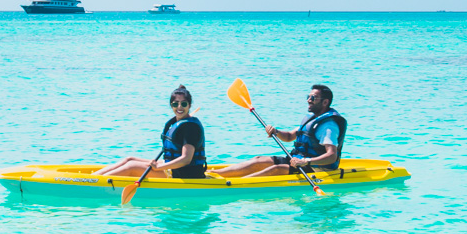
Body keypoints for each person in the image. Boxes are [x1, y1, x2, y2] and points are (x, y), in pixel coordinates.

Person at [212, 84, 346, 178]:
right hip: (297, 160)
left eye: (313, 98)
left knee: (275, 170)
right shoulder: (312, 119)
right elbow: (289, 136)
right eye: (308, 96)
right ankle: (213, 174)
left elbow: (332, 156)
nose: (308, 100)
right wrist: (276, 131)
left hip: (317, 168)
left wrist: (305, 161)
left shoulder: (329, 126)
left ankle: (235, 184)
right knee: (258, 160)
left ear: (325, 102)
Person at [94, 86, 207, 179]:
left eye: (183, 104)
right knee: (130, 159)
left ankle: (94, 182)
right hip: (174, 169)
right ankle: (93, 177)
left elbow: (186, 159)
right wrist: (159, 166)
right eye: (175, 104)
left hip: (185, 175)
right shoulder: (179, 123)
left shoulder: (190, 127)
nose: (179, 107)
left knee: (131, 167)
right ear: (170, 105)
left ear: (189, 105)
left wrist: (158, 168)